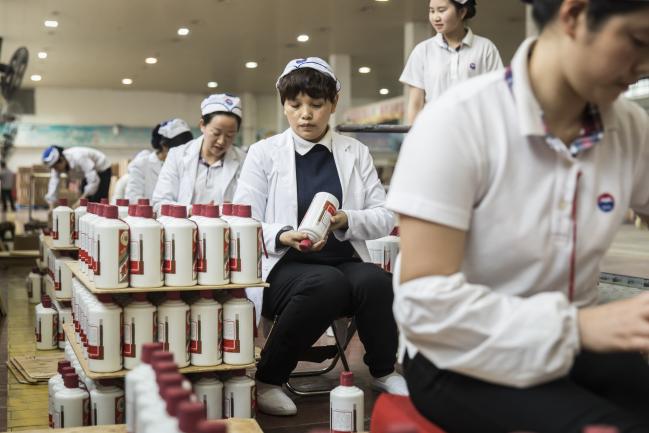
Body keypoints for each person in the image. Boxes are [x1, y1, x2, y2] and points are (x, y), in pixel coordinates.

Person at [386, 0, 649, 431]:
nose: (644, 66)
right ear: (574, 15)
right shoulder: (454, 125)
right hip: (457, 356)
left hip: (576, 343)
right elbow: (425, 305)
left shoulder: (631, 129)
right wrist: (578, 327)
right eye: (637, 41)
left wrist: (580, 330)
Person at [234, 57, 407, 417]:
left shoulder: (353, 152)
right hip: (284, 265)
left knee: (376, 282)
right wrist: (283, 235)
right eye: (295, 105)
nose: (305, 115)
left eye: (316, 105)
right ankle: (269, 378)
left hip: (344, 258)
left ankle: (383, 370)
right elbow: (243, 220)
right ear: (284, 105)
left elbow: (384, 214)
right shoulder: (264, 154)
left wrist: (346, 219)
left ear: (333, 104)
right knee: (324, 283)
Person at [400, 0, 503, 124]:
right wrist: (413, 139)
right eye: (431, 11)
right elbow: (415, 105)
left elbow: (495, 98)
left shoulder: (485, 48)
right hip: (434, 132)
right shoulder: (422, 51)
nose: (435, 17)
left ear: (462, 12)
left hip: (473, 133)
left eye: (441, 10)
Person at [151, 94, 245, 212]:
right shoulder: (177, 155)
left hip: (226, 229)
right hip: (184, 228)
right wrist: (194, 211)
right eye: (216, 133)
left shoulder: (244, 161)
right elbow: (160, 203)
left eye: (230, 135)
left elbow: (249, 204)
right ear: (202, 125)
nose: (221, 141)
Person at [126, 118, 194, 202]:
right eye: (180, 151)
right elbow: (133, 198)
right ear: (164, 146)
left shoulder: (186, 165)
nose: (183, 155)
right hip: (149, 214)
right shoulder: (141, 166)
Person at [42, 145, 112, 206]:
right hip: (87, 173)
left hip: (102, 167)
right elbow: (54, 183)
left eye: (56, 167)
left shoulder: (79, 157)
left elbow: (94, 180)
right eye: (53, 168)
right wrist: (51, 206)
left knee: (97, 200)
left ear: (62, 159)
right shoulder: (56, 167)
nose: (56, 170)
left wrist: (82, 198)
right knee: (85, 201)